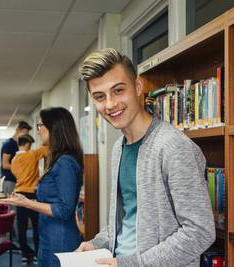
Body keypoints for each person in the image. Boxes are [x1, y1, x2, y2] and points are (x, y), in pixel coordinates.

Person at [75, 48, 215, 266]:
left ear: (138, 86)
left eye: (118, 90)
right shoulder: (118, 148)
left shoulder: (173, 146)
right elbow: (128, 217)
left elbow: (200, 232)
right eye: (100, 97)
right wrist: (98, 242)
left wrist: (132, 264)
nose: (110, 104)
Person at [1, 107, 83, 267]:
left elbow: (64, 210)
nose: (38, 130)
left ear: (54, 128)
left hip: (60, 238)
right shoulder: (57, 159)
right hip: (49, 235)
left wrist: (26, 202)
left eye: (40, 125)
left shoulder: (65, 162)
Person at [10, 134, 48, 264]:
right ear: (27, 144)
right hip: (32, 195)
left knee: (22, 227)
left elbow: (15, 174)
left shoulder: (14, 160)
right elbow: (48, 149)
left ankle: (25, 255)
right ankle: (37, 254)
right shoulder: (31, 155)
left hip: (19, 194)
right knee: (37, 226)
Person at [0, 120, 32, 195]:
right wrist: (21, 168)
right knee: (12, 205)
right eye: (24, 133)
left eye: (27, 134)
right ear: (17, 130)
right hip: (9, 180)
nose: (26, 137)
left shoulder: (20, 145)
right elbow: (5, 165)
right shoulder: (9, 144)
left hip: (17, 180)